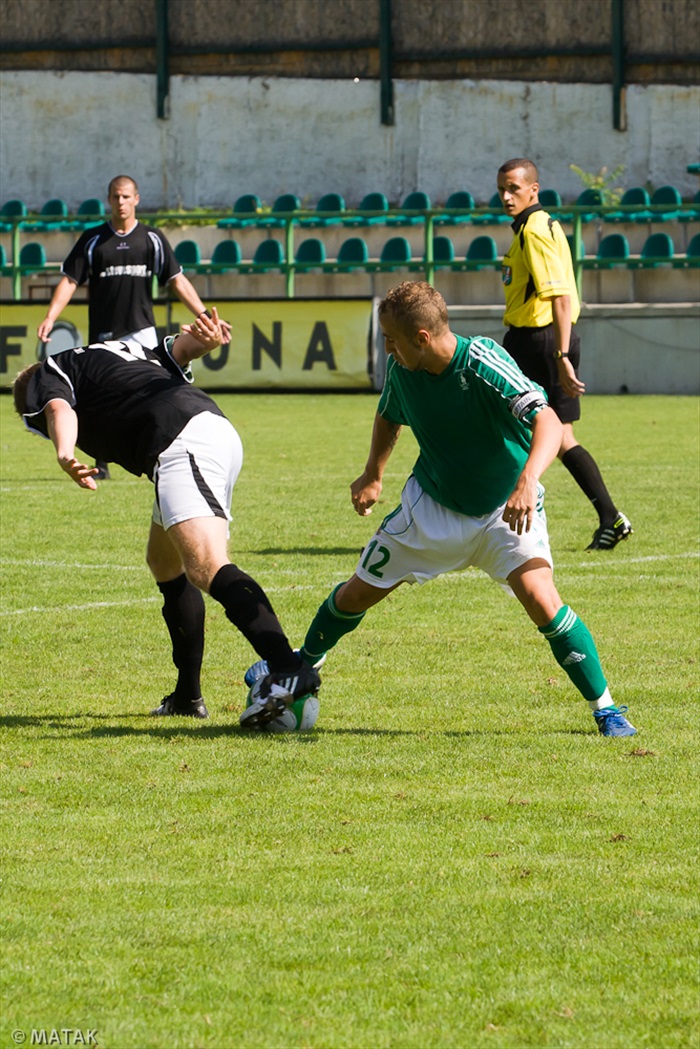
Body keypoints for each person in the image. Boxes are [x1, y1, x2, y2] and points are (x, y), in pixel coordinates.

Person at [242, 282, 636, 737]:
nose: (386, 348)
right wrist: (373, 473)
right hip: (431, 506)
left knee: (542, 600)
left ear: (422, 337)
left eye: (391, 338)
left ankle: (606, 710)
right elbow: (389, 415)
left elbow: (546, 418)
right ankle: (297, 669)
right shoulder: (402, 369)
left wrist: (528, 480)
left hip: (505, 511)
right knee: (356, 594)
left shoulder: (483, 360)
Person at [14, 309, 319, 718]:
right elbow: (180, 348)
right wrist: (205, 342)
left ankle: (287, 667)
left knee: (206, 566)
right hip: (206, 430)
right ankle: (187, 697)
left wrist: (64, 451)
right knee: (164, 562)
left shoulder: (48, 372)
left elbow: (58, 410)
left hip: (181, 441)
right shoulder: (111, 350)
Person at [37, 174, 231, 480]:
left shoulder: (151, 239)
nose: (121, 202)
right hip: (103, 334)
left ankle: (167, 446)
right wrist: (51, 316)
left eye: (126, 196)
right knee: (96, 397)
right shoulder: (93, 239)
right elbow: (70, 280)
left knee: (157, 387)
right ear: (109, 199)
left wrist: (205, 315)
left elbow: (176, 280)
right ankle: (100, 462)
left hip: (141, 330)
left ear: (137, 199)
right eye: (115, 196)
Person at [496, 158, 633, 551]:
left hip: (540, 341)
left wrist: (560, 354)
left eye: (514, 188)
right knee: (553, 434)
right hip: (542, 340)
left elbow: (558, 295)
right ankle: (609, 517)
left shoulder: (535, 230)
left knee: (524, 427)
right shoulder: (537, 225)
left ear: (533, 189)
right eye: (502, 189)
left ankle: (509, 515)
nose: (507, 196)